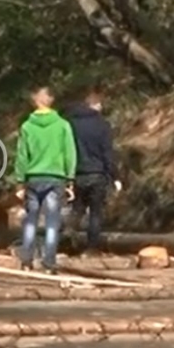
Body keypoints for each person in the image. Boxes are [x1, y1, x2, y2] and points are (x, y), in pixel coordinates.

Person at [13, 86, 78, 274]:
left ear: (35, 101)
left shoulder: (27, 126)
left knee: (31, 220)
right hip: (56, 177)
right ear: (51, 101)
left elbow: (22, 156)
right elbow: (70, 154)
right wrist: (70, 179)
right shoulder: (63, 125)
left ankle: (26, 261)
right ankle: (49, 264)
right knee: (52, 222)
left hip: (33, 177)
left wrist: (19, 181)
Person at [65, 86, 119, 254]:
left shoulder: (70, 124)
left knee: (78, 208)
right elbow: (107, 152)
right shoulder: (102, 125)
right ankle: (91, 248)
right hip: (97, 173)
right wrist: (114, 175)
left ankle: (68, 233)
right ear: (96, 105)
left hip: (77, 172)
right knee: (96, 212)